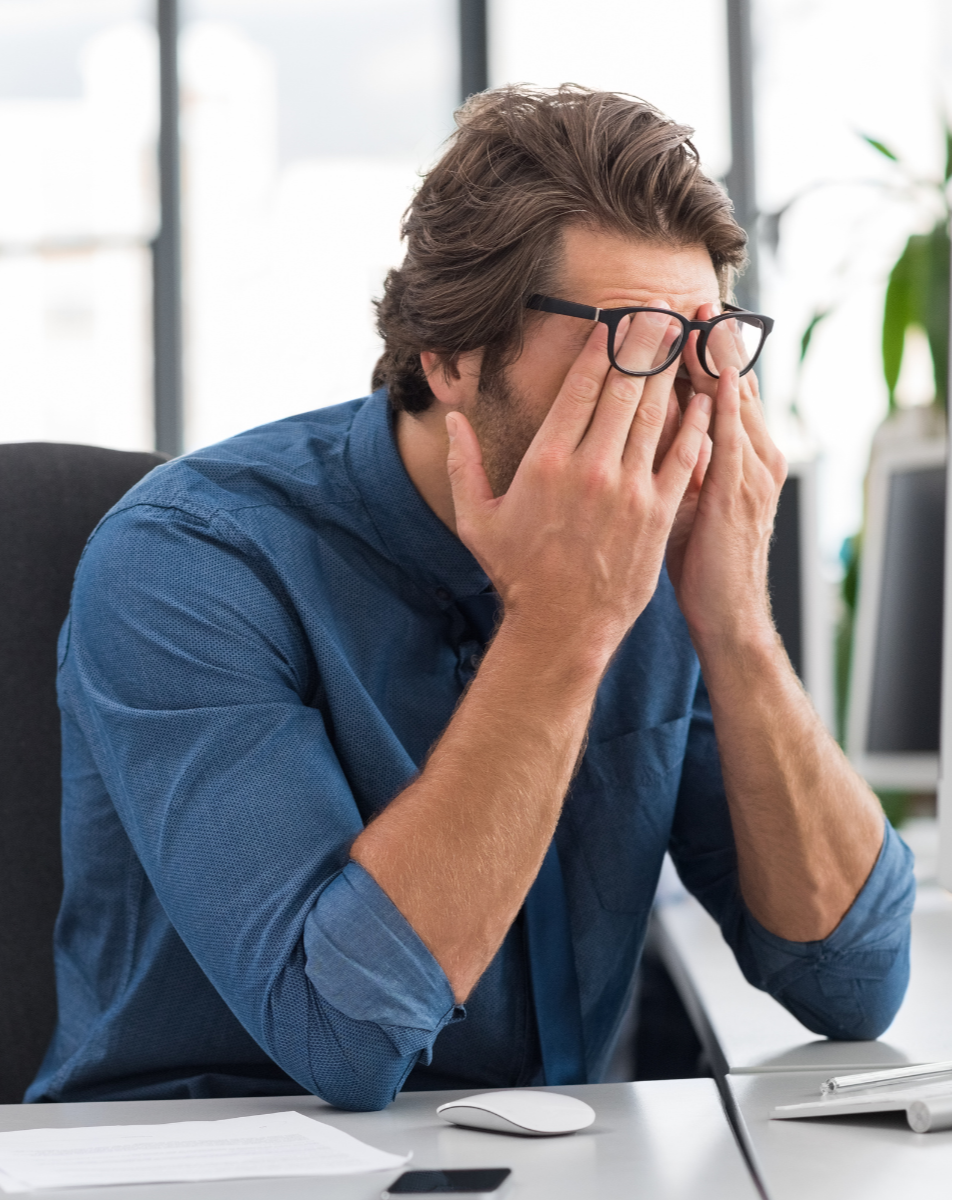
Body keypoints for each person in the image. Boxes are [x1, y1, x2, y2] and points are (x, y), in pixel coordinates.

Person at [28, 86, 913, 1108]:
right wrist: (562, 626)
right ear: (450, 356)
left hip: (564, 1163)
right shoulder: (188, 562)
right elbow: (343, 1039)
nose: (675, 408)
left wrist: (735, 626)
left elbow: (851, 982)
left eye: (703, 349)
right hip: (215, 1159)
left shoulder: (665, 556)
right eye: (630, 342)